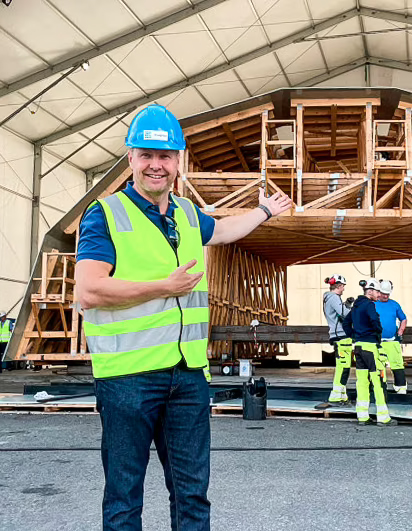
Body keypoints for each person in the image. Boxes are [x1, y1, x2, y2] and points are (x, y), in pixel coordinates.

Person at [75, 104, 292, 531]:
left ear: (179, 161)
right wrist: (163, 287)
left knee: (192, 494)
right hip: (127, 379)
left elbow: (225, 230)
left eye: (166, 157)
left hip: (188, 376)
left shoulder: (188, 214)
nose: (157, 166)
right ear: (131, 159)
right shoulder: (106, 214)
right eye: (146, 155)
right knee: (123, 497)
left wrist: (264, 211)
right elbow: (89, 290)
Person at [342, 279, 397, 427]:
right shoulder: (369, 305)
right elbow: (375, 321)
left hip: (358, 347)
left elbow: (345, 323)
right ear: (370, 291)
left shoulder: (356, 306)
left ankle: (362, 416)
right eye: (378, 292)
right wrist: (377, 333)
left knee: (362, 383)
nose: (379, 295)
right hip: (371, 348)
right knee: (378, 382)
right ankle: (383, 418)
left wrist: (354, 335)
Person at [323, 274, 353, 404]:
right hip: (341, 336)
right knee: (343, 367)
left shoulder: (329, 298)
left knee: (343, 367)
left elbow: (339, 311)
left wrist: (346, 303)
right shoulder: (334, 298)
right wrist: (355, 308)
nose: (344, 289)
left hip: (338, 335)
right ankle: (336, 396)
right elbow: (344, 314)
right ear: (339, 286)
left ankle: (341, 395)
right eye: (343, 287)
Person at [375, 279, 408, 394]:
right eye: (383, 294)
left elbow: (403, 319)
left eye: (387, 294)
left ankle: (401, 388)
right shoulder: (372, 304)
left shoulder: (394, 304)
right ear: (378, 292)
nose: (385, 296)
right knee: (379, 367)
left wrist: (400, 331)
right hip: (378, 342)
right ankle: (381, 389)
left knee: (398, 364)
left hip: (392, 341)